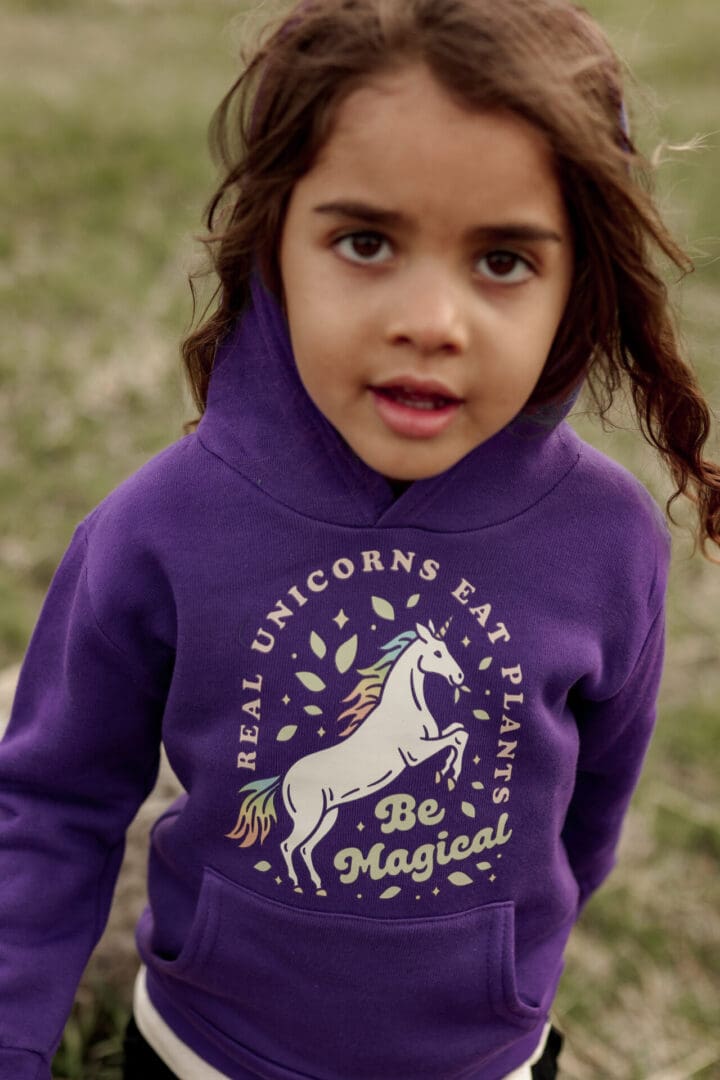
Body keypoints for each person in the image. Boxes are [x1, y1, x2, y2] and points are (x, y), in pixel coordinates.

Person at [1, 1, 719, 1078]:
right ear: (274, 245)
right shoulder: (159, 525)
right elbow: (52, 804)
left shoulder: (608, 540)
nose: (432, 317)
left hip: (484, 1059)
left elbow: (590, 817)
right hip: (202, 1055)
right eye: (367, 241)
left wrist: (505, 969)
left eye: (504, 261)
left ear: (579, 285)